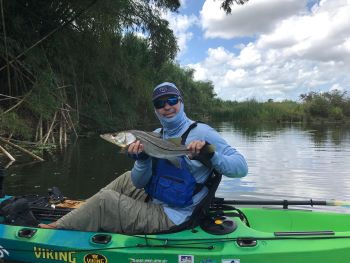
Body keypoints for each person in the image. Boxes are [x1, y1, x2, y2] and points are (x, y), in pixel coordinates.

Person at [39, 82, 248, 234]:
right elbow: (139, 182)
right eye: (160, 103)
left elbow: (241, 167)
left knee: (105, 199)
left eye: (172, 100)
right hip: (158, 196)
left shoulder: (202, 132)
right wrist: (142, 160)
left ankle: (60, 227)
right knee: (126, 178)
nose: (167, 106)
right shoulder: (157, 134)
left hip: (177, 214)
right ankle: (90, 212)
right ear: (155, 109)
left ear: (181, 102)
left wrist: (211, 154)